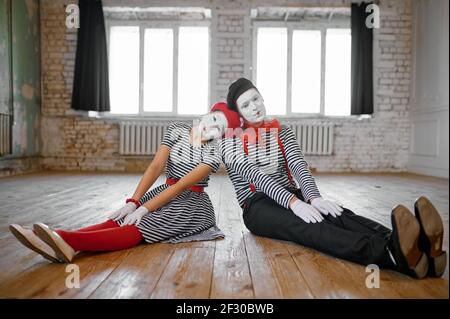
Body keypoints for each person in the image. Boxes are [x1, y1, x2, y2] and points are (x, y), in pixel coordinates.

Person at [221, 78, 446, 278]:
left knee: (337, 214)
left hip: (291, 193)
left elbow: (298, 164)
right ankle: (389, 252)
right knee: (308, 226)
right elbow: (258, 177)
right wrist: (295, 204)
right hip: (257, 205)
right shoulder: (231, 141)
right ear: (238, 113)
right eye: (246, 105)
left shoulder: (282, 130)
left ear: (262, 97)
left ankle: (415, 246)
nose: (254, 106)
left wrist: (314, 198)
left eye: (256, 98)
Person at [9, 103, 241, 263]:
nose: (211, 127)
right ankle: (63, 244)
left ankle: (60, 237)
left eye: (219, 128)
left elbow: (180, 187)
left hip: (190, 205)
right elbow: (155, 166)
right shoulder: (176, 130)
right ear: (206, 114)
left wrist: (144, 209)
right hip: (164, 191)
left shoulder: (212, 154)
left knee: (139, 227)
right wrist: (134, 201)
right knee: (117, 219)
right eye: (213, 119)